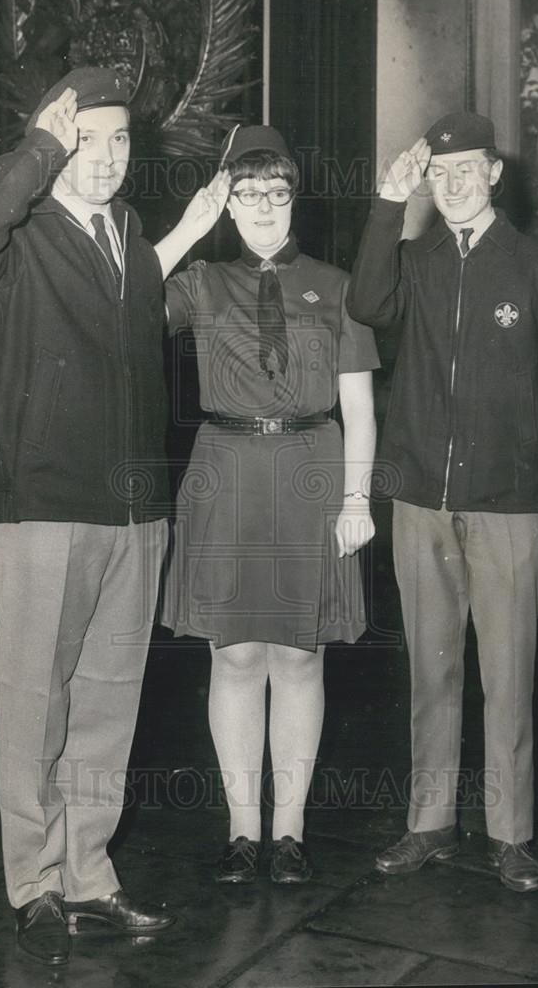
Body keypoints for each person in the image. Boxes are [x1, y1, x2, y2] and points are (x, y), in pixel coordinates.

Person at [0, 67, 225, 966]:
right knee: (34, 704)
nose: (105, 160)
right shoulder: (17, 233)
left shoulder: (127, 234)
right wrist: (39, 150)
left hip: (133, 516)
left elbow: (138, 312)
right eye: (85, 141)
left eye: (119, 142)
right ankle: (34, 886)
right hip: (44, 508)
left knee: (105, 706)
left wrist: (190, 233)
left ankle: (88, 876)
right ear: (54, 143)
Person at [346, 112, 538, 892]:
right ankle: (428, 822)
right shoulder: (412, 260)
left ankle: (510, 832)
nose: (452, 185)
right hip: (419, 498)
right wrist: (388, 203)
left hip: (509, 505)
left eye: (467, 170)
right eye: (438, 174)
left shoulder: (534, 267)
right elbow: (364, 306)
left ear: (493, 174)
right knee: (431, 669)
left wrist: (511, 452)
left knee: (508, 673)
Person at [161, 125, 380, 884]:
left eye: (275, 193)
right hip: (224, 470)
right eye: (246, 193)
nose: (261, 207)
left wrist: (357, 498)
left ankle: (287, 835)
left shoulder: (337, 283)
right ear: (228, 201)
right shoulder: (197, 282)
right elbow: (116, 303)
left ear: (294, 200)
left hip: (311, 470)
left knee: (297, 654)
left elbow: (358, 403)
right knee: (233, 656)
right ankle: (241, 833)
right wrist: (189, 227)